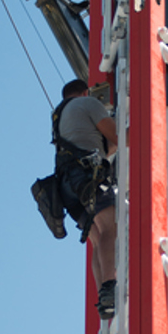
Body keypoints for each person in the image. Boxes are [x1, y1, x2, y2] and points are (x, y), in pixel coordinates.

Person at [54, 79, 118, 319]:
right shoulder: (88, 103)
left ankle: (104, 295)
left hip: (67, 187)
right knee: (110, 228)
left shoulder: (59, 116)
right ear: (85, 92)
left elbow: (101, 146)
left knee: (97, 237)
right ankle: (109, 287)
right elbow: (118, 138)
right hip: (87, 178)